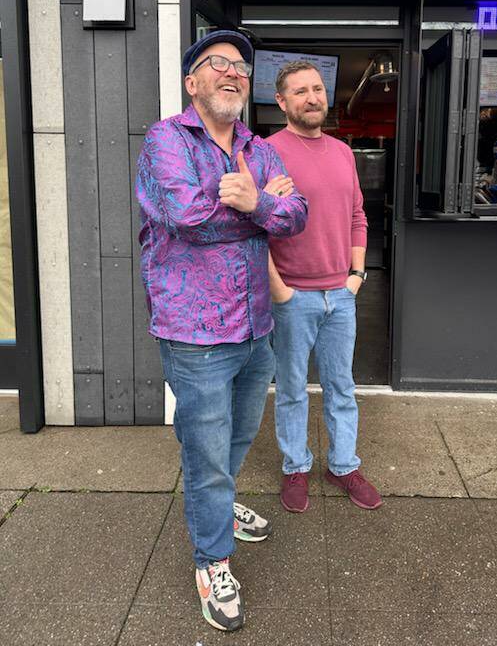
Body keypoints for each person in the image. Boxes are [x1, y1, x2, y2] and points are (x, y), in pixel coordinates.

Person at [135, 31, 307, 633]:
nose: (233, 73)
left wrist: (256, 203)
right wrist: (259, 209)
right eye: (219, 65)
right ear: (193, 82)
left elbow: (296, 215)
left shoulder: (259, 149)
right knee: (206, 452)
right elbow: (184, 217)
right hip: (194, 331)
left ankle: (218, 506)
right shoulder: (166, 140)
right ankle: (212, 560)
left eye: (241, 66)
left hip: (254, 326)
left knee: (235, 437)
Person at [267, 60, 382, 514]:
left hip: (341, 294)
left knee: (341, 386)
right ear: (282, 102)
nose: (312, 97)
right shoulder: (265, 152)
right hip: (293, 295)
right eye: (300, 91)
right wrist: (279, 290)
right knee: (292, 388)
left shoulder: (343, 152)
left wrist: (356, 276)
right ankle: (296, 467)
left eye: (317, 89)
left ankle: (343, 465)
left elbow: (357, 216)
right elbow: (256, 226)